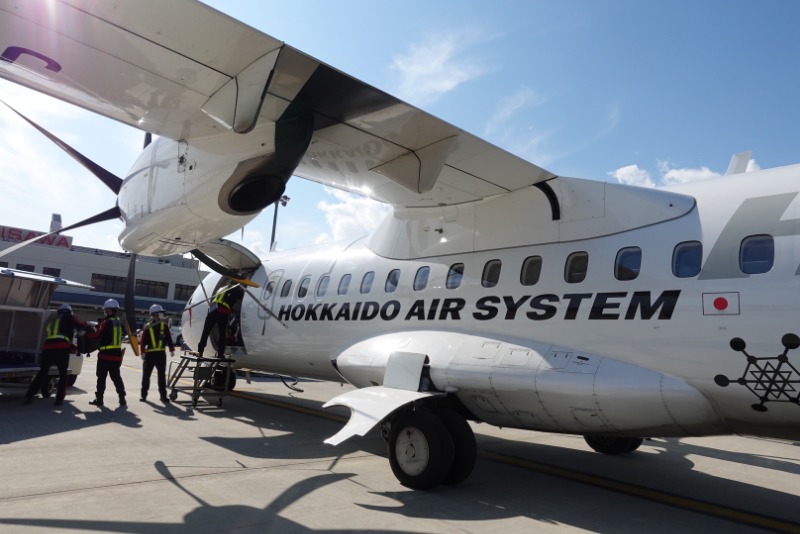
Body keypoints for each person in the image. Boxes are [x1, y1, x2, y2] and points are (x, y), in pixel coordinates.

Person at [24, 303, 91, 406]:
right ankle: (59, 399)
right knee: (63, 374)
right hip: (61, 349)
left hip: (47, 349)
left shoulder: (52, 321)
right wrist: (87, 325)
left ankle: (29, 396)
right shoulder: (70, 317)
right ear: (69, 311)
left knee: (42, 373)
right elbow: (80, 326)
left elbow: (55, 336)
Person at [86, 298, 126, 407]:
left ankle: (99, 399)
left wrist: (87, 334)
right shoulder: (119, 322)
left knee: (101, 378)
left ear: (109, 310)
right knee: (116, 377)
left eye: (106, 310)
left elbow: (96, 335)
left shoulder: (106, 322)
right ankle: (122, 398)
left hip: (105, 356)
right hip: (117, 356)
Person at [139, 303, 175, 403]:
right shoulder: (147, 326)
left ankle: (163, 396)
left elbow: (169, 339)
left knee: (161, 376)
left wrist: (172, 349)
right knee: (146, 376)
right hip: (149, 355)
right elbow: (142, 341)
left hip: (161, 355)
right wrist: (142, 352)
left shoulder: (165, 326)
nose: (162, 315)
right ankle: (143, 395)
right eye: (160, 313)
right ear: (155, 314)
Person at [197, 282, 243, 358]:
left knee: (206, 331)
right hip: (223, 312)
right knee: (222, 334)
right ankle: (220, 353)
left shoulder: (222, 288)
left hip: (212, 310)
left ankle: (200, 351)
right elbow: (242, 297)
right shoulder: (236, 290)